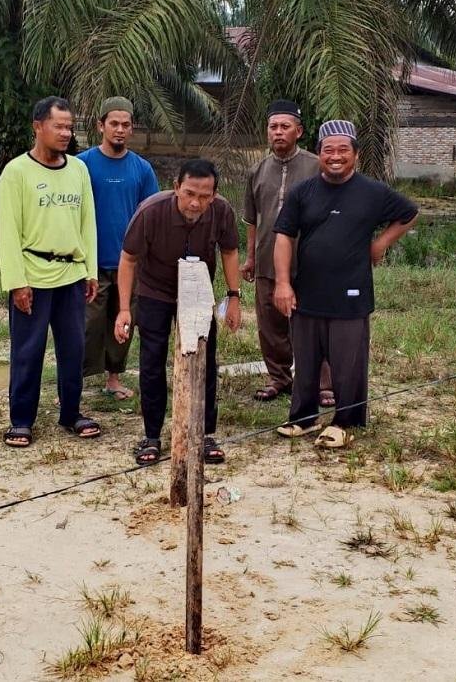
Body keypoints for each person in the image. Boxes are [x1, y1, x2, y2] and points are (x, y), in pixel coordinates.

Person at [272, 120, 418, 448]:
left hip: (351, 294)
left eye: (342, 150)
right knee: (306, 359)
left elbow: (409, 213)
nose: (335, 156)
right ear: (320, 154)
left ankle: (345, 421)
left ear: (355, 155)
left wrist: (381, 244)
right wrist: (283, 283)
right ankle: (304, 418)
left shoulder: (373, 192)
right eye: (328, 150)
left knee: (347, 361)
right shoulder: (303, 193)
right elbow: (283, 236)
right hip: (307, 291)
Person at [114, 159, 242, 465]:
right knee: (152, 361)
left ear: (214, 193)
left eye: (204, 195)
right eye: (189, 193)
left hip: (198, 292)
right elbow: (129, 259)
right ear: (176, 188)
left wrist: (234, 297)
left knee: (204, 360)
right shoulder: (150, 210)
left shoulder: (221, 211)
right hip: (155, 291)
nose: (196, 202)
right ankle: (152, 435)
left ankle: (205, 433)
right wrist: (123, 309)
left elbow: (229, 250)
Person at [0, 95, 102, 448]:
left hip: (71, 275)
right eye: (58, 126)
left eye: (70, 127)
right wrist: (17, 282)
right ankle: (21, 419)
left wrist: (89, 270)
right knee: (28, 350)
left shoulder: (78, 170)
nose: (65, 133)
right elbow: (8, 233)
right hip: (33, 276)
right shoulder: (16, 173)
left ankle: (72, 412)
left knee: (73, 349)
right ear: (38, 126)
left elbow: (88, 222)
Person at [241, 99, 333, 406]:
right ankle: (279, 377)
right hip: (267, 258)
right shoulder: (257, 171)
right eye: (273, 127)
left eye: (285, 127)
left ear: (299, 131)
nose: (278, 132)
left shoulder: (315, 166)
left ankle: (323, 384)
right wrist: (251, 256)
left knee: (313, 324)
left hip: (309, 262)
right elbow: (252, 219)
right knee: (271, 326)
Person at [78, 97, 160, 401]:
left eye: (126, 124)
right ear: (101, 125)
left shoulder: (142, 168)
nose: (120, 130)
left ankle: (113, 378)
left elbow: (149, 214)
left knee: (122, 322)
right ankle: (75, 380)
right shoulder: (82, 164)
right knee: (87, 323)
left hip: (129, 263)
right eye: (114, 123)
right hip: (91, 263)